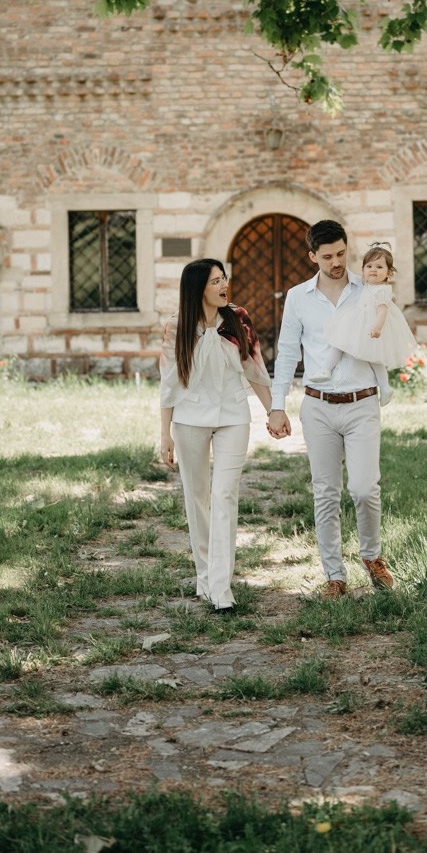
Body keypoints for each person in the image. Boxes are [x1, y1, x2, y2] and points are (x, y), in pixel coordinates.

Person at [266, 220, 395, 599]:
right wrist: (277, 406)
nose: (337, 262)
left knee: (364, 488)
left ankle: (371, 557)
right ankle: (334, 576)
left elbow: (385, 335)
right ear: (312, 256)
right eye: (327, 257)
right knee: (325, 493)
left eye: (341, 253)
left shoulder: (368, 287)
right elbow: (288, 351)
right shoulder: (298, 297)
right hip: (318, 406)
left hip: (362, 402)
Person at [159, 259, 272, 613]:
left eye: (225, 279)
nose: (224, 286)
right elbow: (168, 384)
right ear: (198, 289)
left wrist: (274, 411)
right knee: (198, 500)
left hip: (233, 416)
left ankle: (220, 588)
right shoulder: (176, 327)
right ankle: (205, 577)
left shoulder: (238, 318)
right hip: (189, 419)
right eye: (215, 282)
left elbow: (255, 367)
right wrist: (165, 435)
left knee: (224, 496)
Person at [306, 241, 417, 406]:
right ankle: (327, 369)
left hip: (371, 326)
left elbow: (382, 311)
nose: (373, 270)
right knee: (339, 342)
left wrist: (377, 328)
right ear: (363, 270)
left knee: (375, 358)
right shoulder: (366, 283)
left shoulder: (382, 290)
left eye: (379, 267)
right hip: (357, 321)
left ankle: (385, 387)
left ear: (389, 273)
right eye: (369, 266)